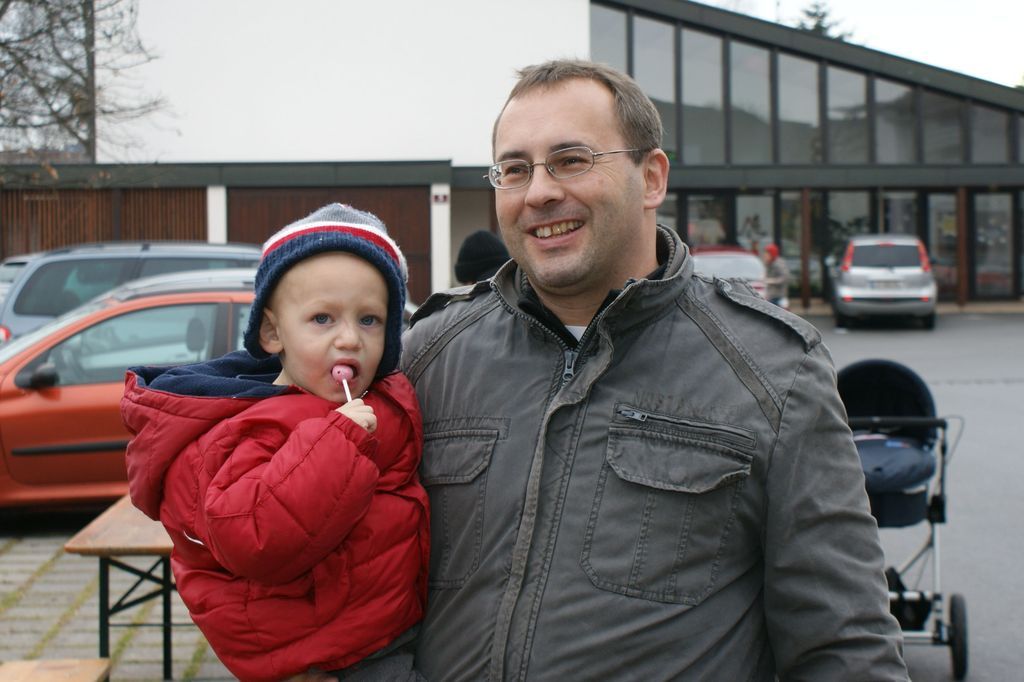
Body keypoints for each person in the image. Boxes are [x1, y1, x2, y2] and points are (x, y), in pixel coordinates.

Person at [401, 60, 908, 680]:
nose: (538, 193)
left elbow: (845, 645)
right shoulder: (427, 355)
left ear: (651, 177)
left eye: (571, 160)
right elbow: (345, 585)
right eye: (515, 169)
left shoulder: (775, 371)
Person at [121, 204, 429, 682]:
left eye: (369, 320)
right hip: (323, 652)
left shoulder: (377, 400)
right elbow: (253, 537)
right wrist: (339, 442)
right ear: (272, 332)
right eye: (323, 318)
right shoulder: (256, 423)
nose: (350, 339)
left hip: (380, 626)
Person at [763, 242, 791, 308]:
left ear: (772, 254)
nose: (765, 255)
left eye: (767, 254)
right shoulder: (769, 263)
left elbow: (785, 278)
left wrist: (771, 281)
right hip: (771, 296)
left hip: (778, 297)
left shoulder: (779, 264)